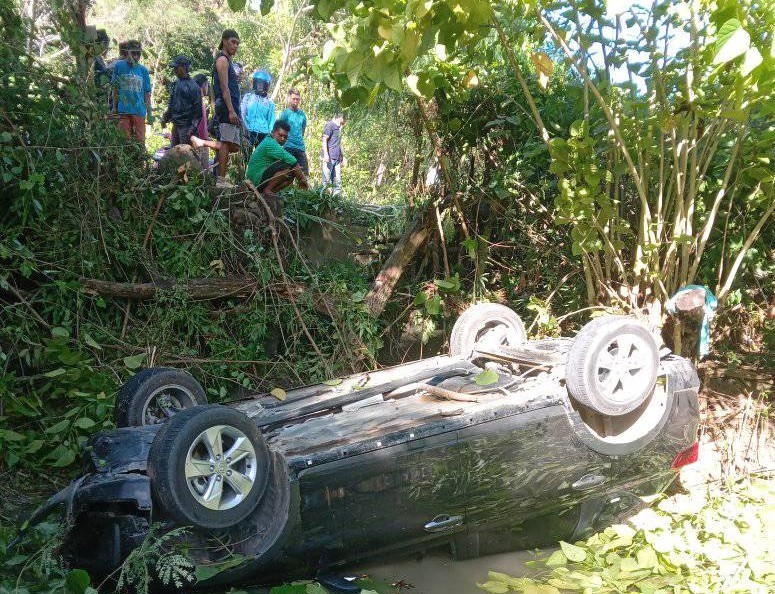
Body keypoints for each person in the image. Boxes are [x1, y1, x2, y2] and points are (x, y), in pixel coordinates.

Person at [190, 29, 242, 188]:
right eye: (233, 42)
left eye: (238, 43)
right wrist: (231, 110)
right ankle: (221, 179)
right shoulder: (222, 60)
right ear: (224, 41)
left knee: (233, 145)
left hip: (229, 106)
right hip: (227, 107)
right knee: (227, 143)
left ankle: (201, 142)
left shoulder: (227, 61)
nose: (236, 46)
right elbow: (224, 88)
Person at [246, 120, 309, 197]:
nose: (283, 139)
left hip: (259, 179)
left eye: (285, 137)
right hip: (256, 180)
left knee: (292, 174)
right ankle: (267, 190)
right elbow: (293, 161)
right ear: (273, 132)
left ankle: (268, 193)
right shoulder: (270, 143)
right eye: (280, 135)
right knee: (289, 167)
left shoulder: (270, 141)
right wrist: (302, 180)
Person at [111, 39, 153, 144]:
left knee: (140, 142)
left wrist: (150, 113)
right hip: (123, 111)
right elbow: (115, 88)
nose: (136, 56)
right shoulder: (119, 66)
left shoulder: (143, 70)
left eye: (138, 54)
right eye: (133, 53)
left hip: (139, 111)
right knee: (123, 141)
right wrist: (114, 107)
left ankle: (140, 160)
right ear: (127, 52)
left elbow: (147, 94)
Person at [161, 55, 202, 147]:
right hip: (176, 124)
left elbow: (198, 111)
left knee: (185, 154)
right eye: (174, 67)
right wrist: (165, 118)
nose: (174, 70)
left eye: (176, 67)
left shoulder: (193, 86)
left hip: (186, 127)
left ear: (184, 67)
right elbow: (171, 104)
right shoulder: (176, 83)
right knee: (174, 152)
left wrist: (192, 128)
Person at [241, 70, 276, 147]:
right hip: (248, 131)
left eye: (262, 84)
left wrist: (270, 136)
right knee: (246, 156)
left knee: (260, 158)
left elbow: (271, 121)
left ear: (266, 85)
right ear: (255, 83)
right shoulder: (248, 97)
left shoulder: (270, 102)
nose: (259, 85)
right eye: (258, 83)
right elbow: (242, 113)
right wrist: (244, 127)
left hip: (263, 134)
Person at [278, 88, 308, 175]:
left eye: (297, 99)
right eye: (294, 99)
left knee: (304, 175)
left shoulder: (302, 115)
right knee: (286, 174)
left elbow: (302, 131)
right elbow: (280, 130)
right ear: (289, 99)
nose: (295, 101)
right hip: (288, 147)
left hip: (300, 147)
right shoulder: (285, 114)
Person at [321, 112, 346, 196]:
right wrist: (325, 155)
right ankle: (323, 201)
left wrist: (342, 156)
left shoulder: (340, 128)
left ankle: (336, 203)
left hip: (337, 159)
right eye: (345, 118)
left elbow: (337, 143)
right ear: (341, 117)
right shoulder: (330, 125)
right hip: (329, 158)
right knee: (326, 182)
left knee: (337, 181)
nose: (346, 121)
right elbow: (324, 140)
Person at [192, 73, 210, 140]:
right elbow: (201, 125)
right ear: (204, 84)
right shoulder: (199, 101)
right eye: (207, 85)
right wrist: (205, 139)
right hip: (198, 139)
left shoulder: (192, 98)